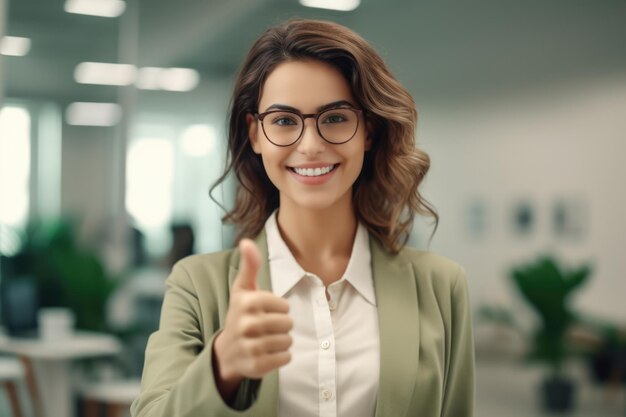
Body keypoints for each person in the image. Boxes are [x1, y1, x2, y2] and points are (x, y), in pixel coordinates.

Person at [131, 18, 474, 417]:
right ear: (255, 134)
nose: (310, 145)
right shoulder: (195, 286)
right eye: (283, 121)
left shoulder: (441, 287)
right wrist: (222, 365)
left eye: (335, 118)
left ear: (368, 130)